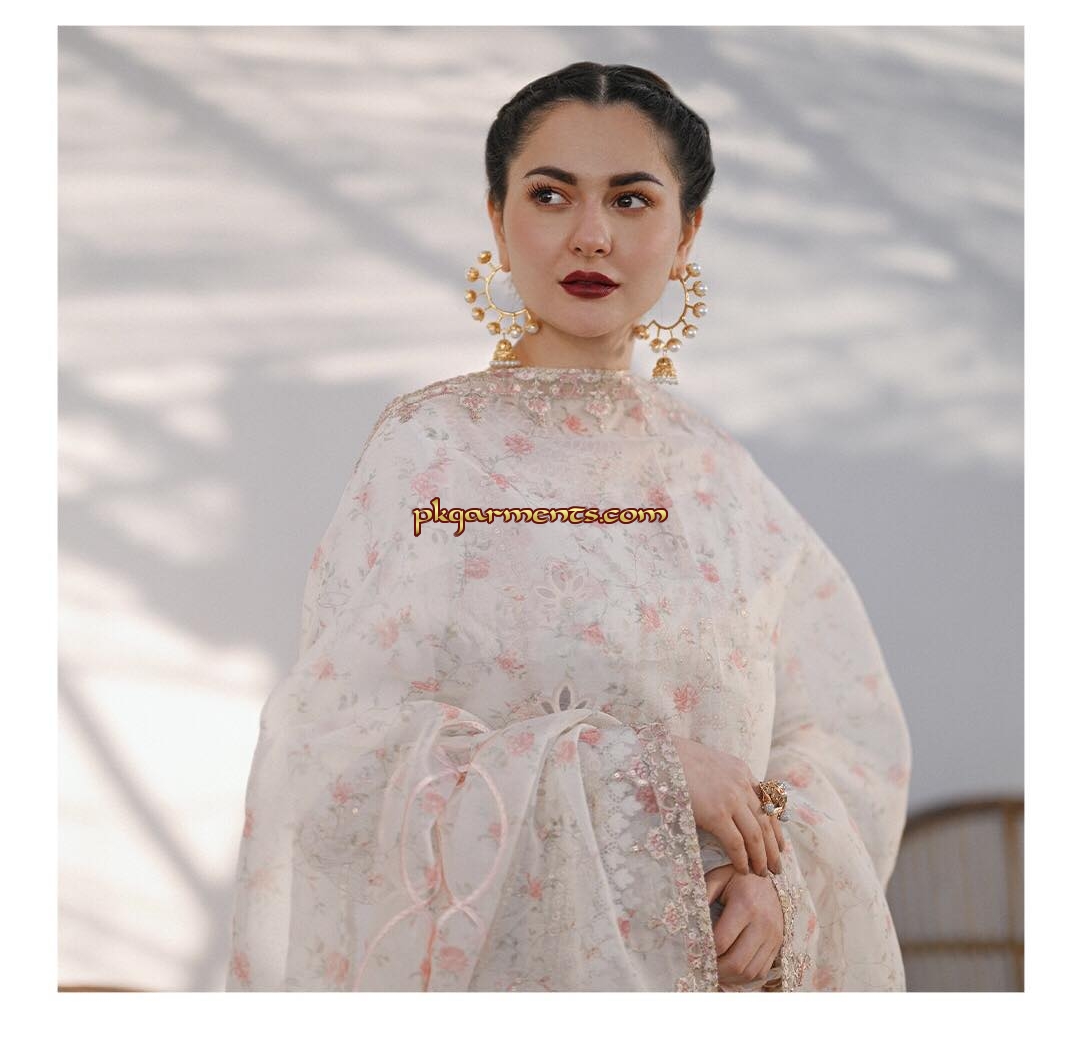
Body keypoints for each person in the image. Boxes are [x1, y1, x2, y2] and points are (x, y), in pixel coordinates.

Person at [225, 62, 912, 992]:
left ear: (687, 232)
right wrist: (641, 771)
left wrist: (779, 879)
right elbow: (340, 759)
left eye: (632, 200)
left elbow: (844, 733)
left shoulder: (717, 478)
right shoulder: (434, 453)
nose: (591, 235)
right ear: (497, 219)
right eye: (551, 195)